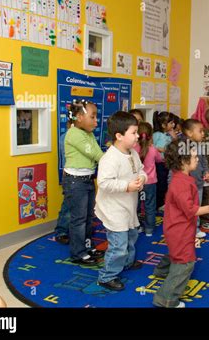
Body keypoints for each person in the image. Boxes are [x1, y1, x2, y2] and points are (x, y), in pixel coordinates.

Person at [152, 140, 209, 308]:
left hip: (178, 227)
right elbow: (190, 210)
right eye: (195, 157)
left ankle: (161, 271)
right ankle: (166, 299)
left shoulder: (182, 177)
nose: (197, 159)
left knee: (176, 251)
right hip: (179, 229)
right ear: (183, 161)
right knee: (185, 262)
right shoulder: (181, 183)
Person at [95, 112, 147, 291]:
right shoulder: (109, 158)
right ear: (119, 136)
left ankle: (127, 262)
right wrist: (126, 186)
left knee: (132, 236)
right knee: (118, 245)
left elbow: (141, 170)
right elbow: (103, 182)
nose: (137, 136)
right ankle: (107, 276)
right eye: (133, 132)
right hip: (114, 209)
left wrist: (142, 178)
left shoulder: (132, 152)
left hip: (128, 207)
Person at [63, 99, 104, 265]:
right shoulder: (73, 134)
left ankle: (87, 246)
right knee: (78, 219)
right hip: (75, 182)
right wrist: (114, 161)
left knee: (88, 217)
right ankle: (78, 253)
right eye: (93, 117)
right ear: (79, 117)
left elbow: (97, 151)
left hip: (87, 180)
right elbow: (96, 154)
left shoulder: (88, 133)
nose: (96, 121)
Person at [181, 119, 209, 238]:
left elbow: (204, 160)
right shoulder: (182, 148)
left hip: (198, 184)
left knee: (196, 208)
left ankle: (195, 229)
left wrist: (207, 171)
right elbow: (175, 168)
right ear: (189, 133)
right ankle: (184, 229)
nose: (203, 133)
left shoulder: (200, 146)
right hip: (185, 186)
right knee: (185, 208)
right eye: (200, 131)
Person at [134, 122, 162, 237]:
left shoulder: (133, 149)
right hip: (150, 183)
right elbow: (160, 160)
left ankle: (137, 227)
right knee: (150, 205)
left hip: (137, 182)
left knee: (136, 205)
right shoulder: (152, 149)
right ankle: (149, 229)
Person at [153, 111, 176, 210]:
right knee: (161, 183)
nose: (173, 125)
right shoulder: (157, 134)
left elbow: (175, 143)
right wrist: (162, 149)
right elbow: (153, 146)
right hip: (159, 163)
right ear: (163, 125)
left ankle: (164, 202)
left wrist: (173, 135)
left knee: (167, 182)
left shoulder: (168, 134)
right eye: (171, 123)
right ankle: (159, 204)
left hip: (167, 162)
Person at [55, 120, 72, 244]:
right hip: (71, 177)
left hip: (81, 177)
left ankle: (78, 230)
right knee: (68, 205)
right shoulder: (66, 137)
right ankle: (61, 231)